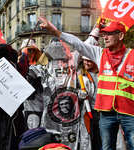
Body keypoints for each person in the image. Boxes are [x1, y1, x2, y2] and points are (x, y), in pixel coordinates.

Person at [38, 13, 134, 150]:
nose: (104, 37)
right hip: (106, 114)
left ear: (121, 36)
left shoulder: (132, 55)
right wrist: (53, 30)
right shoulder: (100, 54)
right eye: (104, 34)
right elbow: (77, 43)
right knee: (107, 147)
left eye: (109, 34)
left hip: (129, 113)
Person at [0, 44, 29, 150]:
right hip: (12, 116)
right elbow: (23, 67)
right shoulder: (11, 67)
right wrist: (24, 54)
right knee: (11, 143)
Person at [78, 56, 101, 150]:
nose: (86, 63)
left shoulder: (103, 73)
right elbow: (73, 91)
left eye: (89, 61)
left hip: (101, 112)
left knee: (100, 140)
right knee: (88, 139)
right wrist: (80, 94)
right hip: (87, 112)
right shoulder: (79, 74)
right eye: (84, 60)